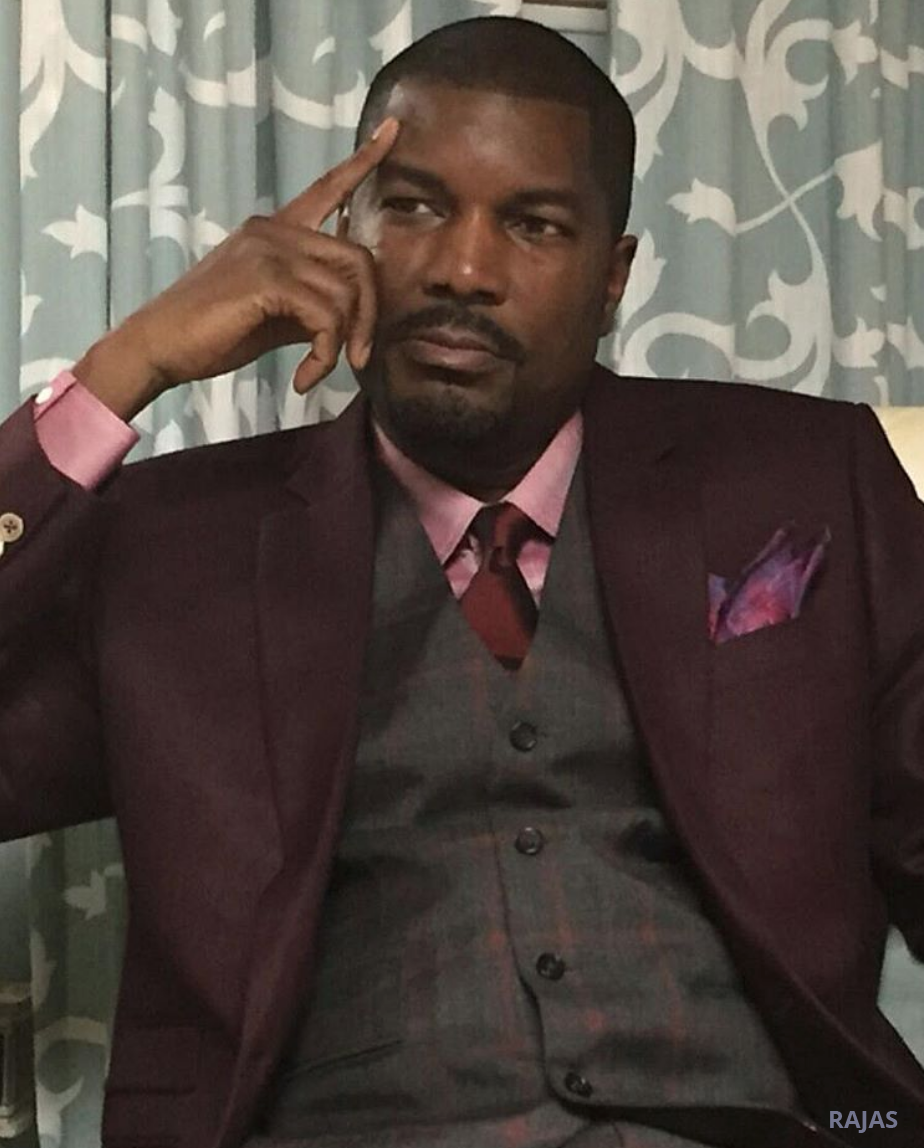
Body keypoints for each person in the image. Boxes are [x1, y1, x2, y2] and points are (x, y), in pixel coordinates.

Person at [0, 15, 922, 1148]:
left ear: (612, 276)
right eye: (414, 207)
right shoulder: (176, 548)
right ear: (344, 233)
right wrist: (124, 368)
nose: (463, 270)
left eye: (534, 225)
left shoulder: (803, 478)